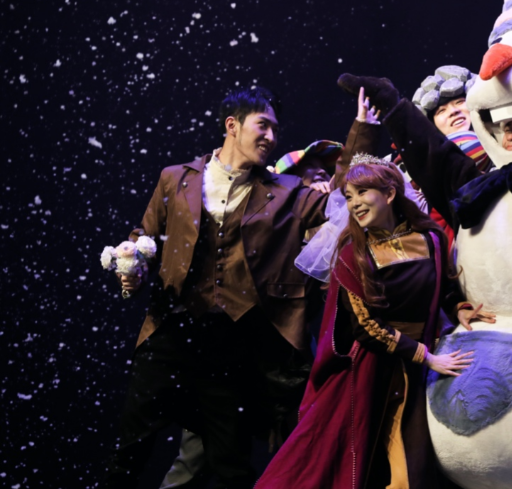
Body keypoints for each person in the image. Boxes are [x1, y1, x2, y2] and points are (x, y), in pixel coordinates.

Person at [100, 87, 338, 489]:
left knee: (230, 463)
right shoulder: (176, 178)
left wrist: (364, 129)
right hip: (171, 332)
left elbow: (348, 200)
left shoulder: (285, 190)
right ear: (232, 125)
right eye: (263, 126)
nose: (271, 137)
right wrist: (133, 268)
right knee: (131, 450)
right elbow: (146, 238)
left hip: (233, 342)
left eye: (275, 129)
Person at [255, 155, 480, 489]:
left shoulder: (430, 239)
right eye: (348, 196)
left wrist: (458, 307)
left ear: (389, 194)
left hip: (426, 362)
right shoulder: (353, 255)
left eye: (362, 192)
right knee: (391, 470)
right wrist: (427, 357)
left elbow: (441, 285)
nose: (355, 203)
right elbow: (366, 327)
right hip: (380, 369)